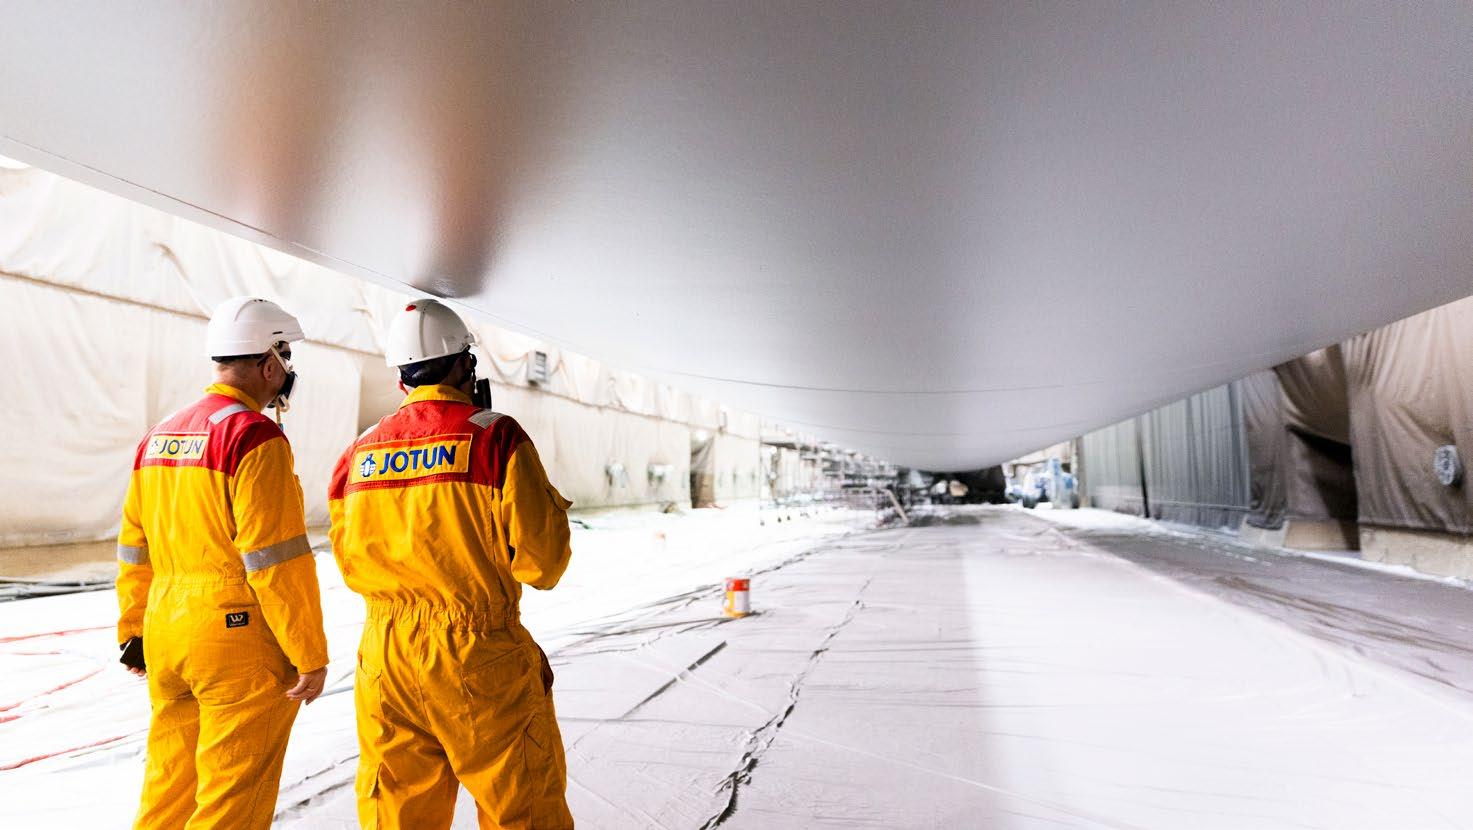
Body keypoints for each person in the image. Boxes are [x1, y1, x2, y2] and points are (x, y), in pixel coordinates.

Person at [328, 298, 574, 829]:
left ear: (401, 378)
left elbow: (349, 560)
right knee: (521, 808)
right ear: (466, 364)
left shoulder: (358, 453)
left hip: (384, 658)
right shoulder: (495, 437)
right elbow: (544, 565)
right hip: (477, 655)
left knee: (396, 813)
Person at [116, 296, 330, 829]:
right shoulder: (255, 437)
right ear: (269, 363)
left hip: (166, 631)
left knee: (170, 789)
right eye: (285, 359)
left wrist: (133, 631)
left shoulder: (158, 436)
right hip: (234, 642)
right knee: (232, 799)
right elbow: (275, 559)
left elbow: (134, 547)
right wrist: (308, 652)